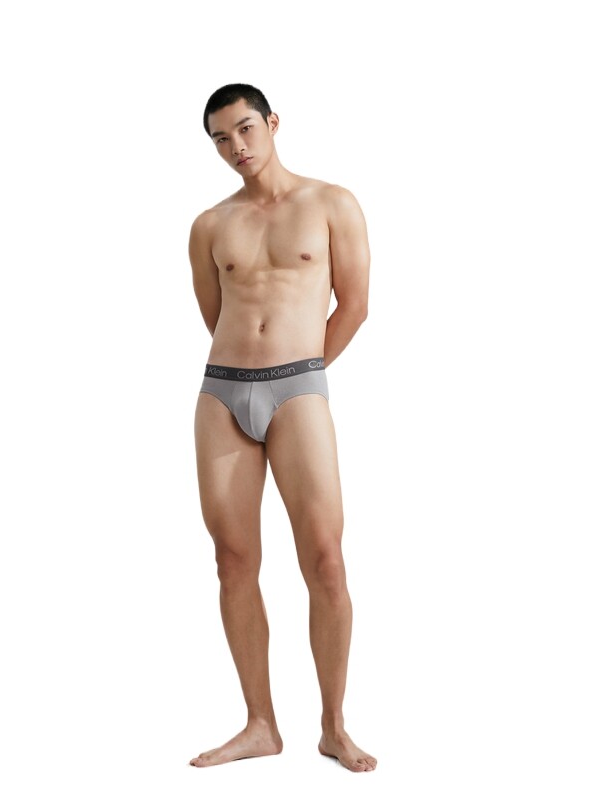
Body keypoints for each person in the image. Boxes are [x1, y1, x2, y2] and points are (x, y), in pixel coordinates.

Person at [188, 83, 376, 773]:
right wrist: (251, 362)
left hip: (299, 387)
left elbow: (354, 305)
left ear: (272, 122)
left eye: (245, 129)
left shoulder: (331, 203)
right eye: (221, 138)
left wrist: (301, 369)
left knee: (325, 559)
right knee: (233, 561)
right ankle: (260, 724)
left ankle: (333, 726)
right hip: (223, 394)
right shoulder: (210, 224)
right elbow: (215, 315)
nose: (236, 147)